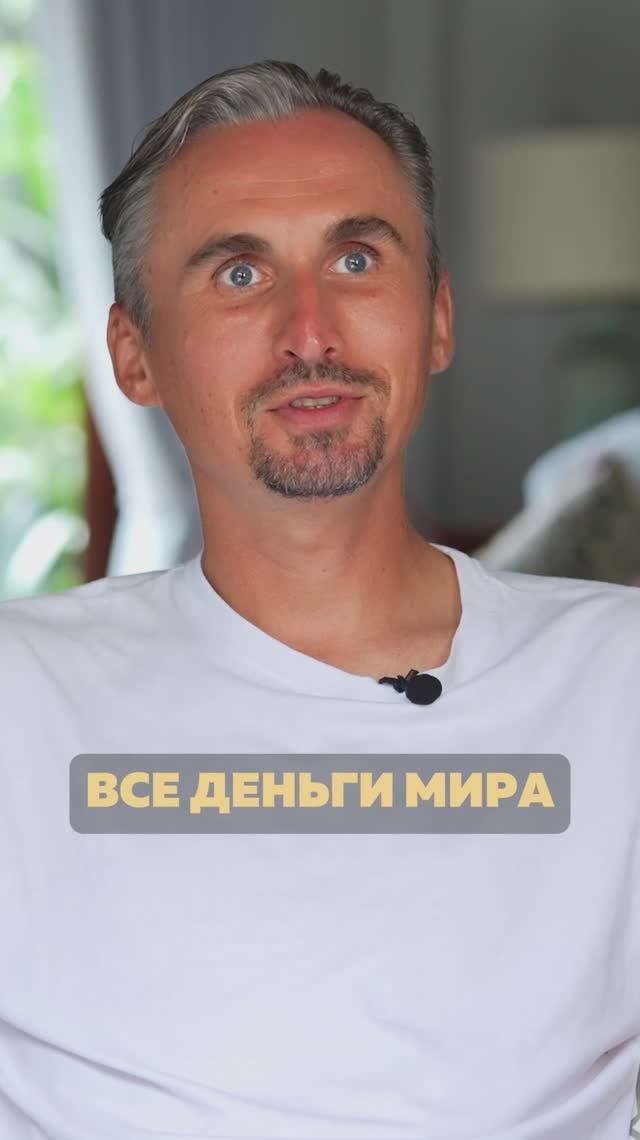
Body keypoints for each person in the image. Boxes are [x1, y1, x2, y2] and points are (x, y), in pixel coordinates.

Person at [0, 58, 638, 1140]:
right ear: (134, 356)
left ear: (437, 320)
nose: (310, 330)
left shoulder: (616, 676)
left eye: (355, 259)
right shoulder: (24, 694)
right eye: (239, 273)